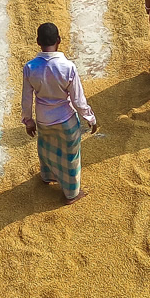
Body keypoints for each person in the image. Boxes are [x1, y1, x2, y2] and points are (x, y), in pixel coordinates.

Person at [22, 23, 98, 204]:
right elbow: (78, 100)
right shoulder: (68, 67)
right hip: (66, 120)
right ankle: (72, 194)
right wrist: (90, 117)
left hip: (43, 120)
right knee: (70, 156)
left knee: (46, 148)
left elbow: (26, 98)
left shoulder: (30, 67)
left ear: (38, 42)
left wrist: (28, 121)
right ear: (59, 41)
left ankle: (48, 176)